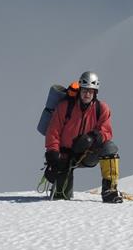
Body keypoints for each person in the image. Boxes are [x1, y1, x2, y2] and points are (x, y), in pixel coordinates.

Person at [44, 71, 122, 203]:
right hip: (65, 156)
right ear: (79, 90)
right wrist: (52, 153)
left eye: (90, 91)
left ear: (95, 93)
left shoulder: (101, 108)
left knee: (110, 147)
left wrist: (93, 137)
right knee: (61, 198)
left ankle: (110, 191)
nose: (87, 94)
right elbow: (53, 131)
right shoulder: (65, 107)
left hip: (88, 153)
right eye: (84, 90)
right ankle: (60, 190)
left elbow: (107, 132)